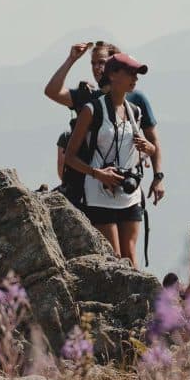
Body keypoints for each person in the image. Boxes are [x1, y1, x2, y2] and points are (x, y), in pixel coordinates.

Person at [44, 40, 165, 205]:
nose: (96, 68)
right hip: (87, 186)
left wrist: (158, 176)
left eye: (102, 62)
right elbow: (52, 91)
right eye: (93, 63)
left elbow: (153, 140)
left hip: (124, 186)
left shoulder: (136, 100)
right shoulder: (87, 96)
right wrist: (71, 59)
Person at [63, 53, 156, 267]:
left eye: (137, 74)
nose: (135, 78)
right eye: (130, 73)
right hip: (98, 192)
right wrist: (97, 173)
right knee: (114, 258)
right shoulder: (92, 110)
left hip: (128, 192)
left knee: (130, 256)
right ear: (113, 75)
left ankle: (140, 300)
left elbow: (141, 151)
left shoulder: (135, 112)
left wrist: (149, 149)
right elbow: (70, 156)